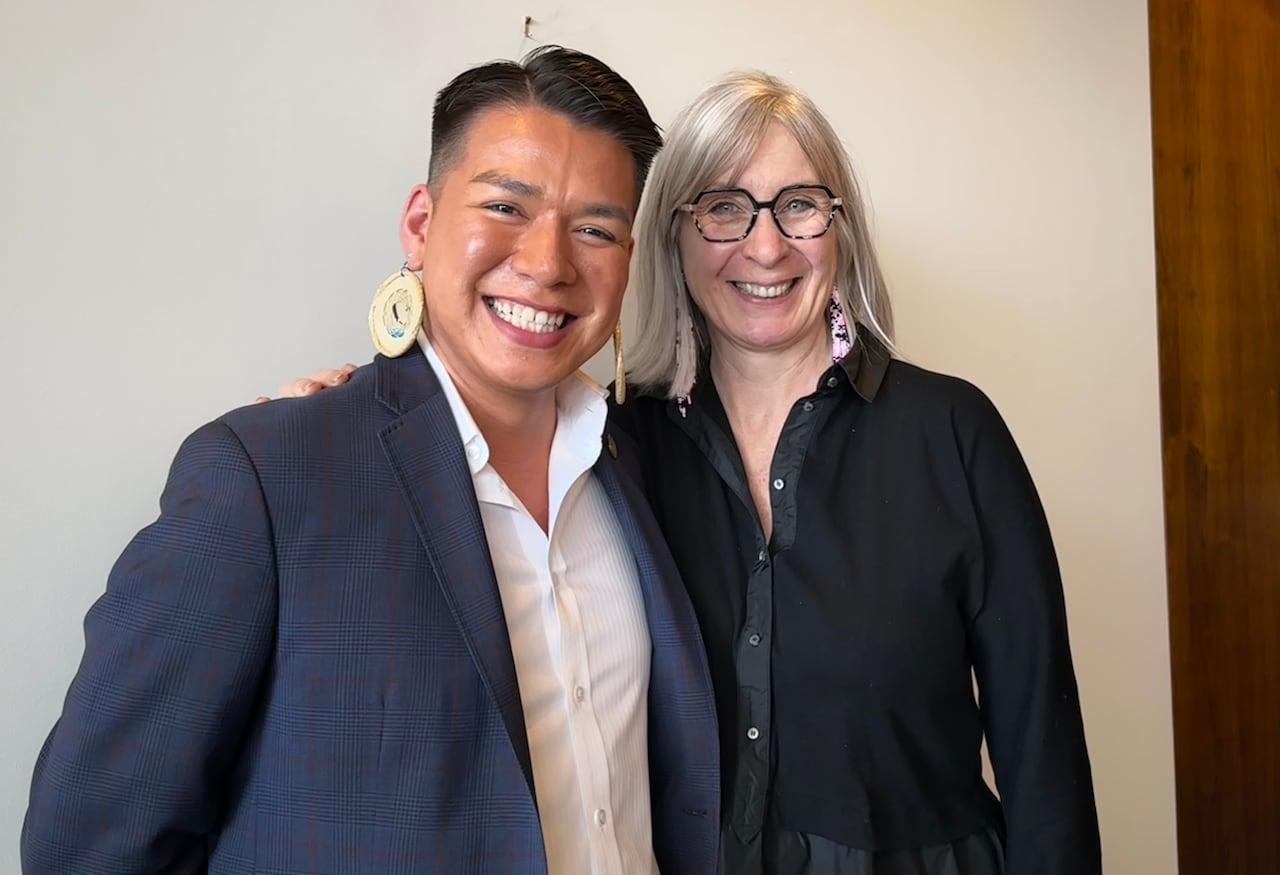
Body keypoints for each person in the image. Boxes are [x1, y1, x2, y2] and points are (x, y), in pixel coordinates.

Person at [287, 69, 1103, 874]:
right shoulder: (608, 448)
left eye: (800, 205)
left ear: (840, 225)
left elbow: (1044, 759)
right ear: (673, 239)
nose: (766, 245)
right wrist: (357, 410)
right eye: (722, 208)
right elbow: (468, 454)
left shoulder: (954, 434)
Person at [21, 47, 720, 875]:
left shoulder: (641, 474)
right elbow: (89, 846)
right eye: (506, 206)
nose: (547, 264)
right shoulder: (267, 476)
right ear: (421, 225)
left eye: (595, 229)